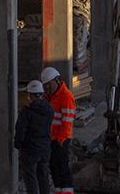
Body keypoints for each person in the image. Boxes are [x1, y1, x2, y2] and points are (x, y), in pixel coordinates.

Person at [14, 80, 53, 194]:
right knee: (43, 175)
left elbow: (20, 129)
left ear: (30, 95)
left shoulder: (27, 111)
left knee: (30, 177)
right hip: (45, 148)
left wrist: (18, 144)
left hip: (31, 149)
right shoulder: (49, 109)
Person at [41, 66, 75, 194]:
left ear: (57, 81)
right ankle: (59, 191)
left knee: (62, 166)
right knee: (54, 166)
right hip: (52, 138)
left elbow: (67, 122)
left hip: (61, 139)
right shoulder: (49, 97)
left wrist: (61, 139)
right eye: (45, 86)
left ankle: (66, 191)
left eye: (49, 85)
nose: (47, 88)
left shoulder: (66, 97)